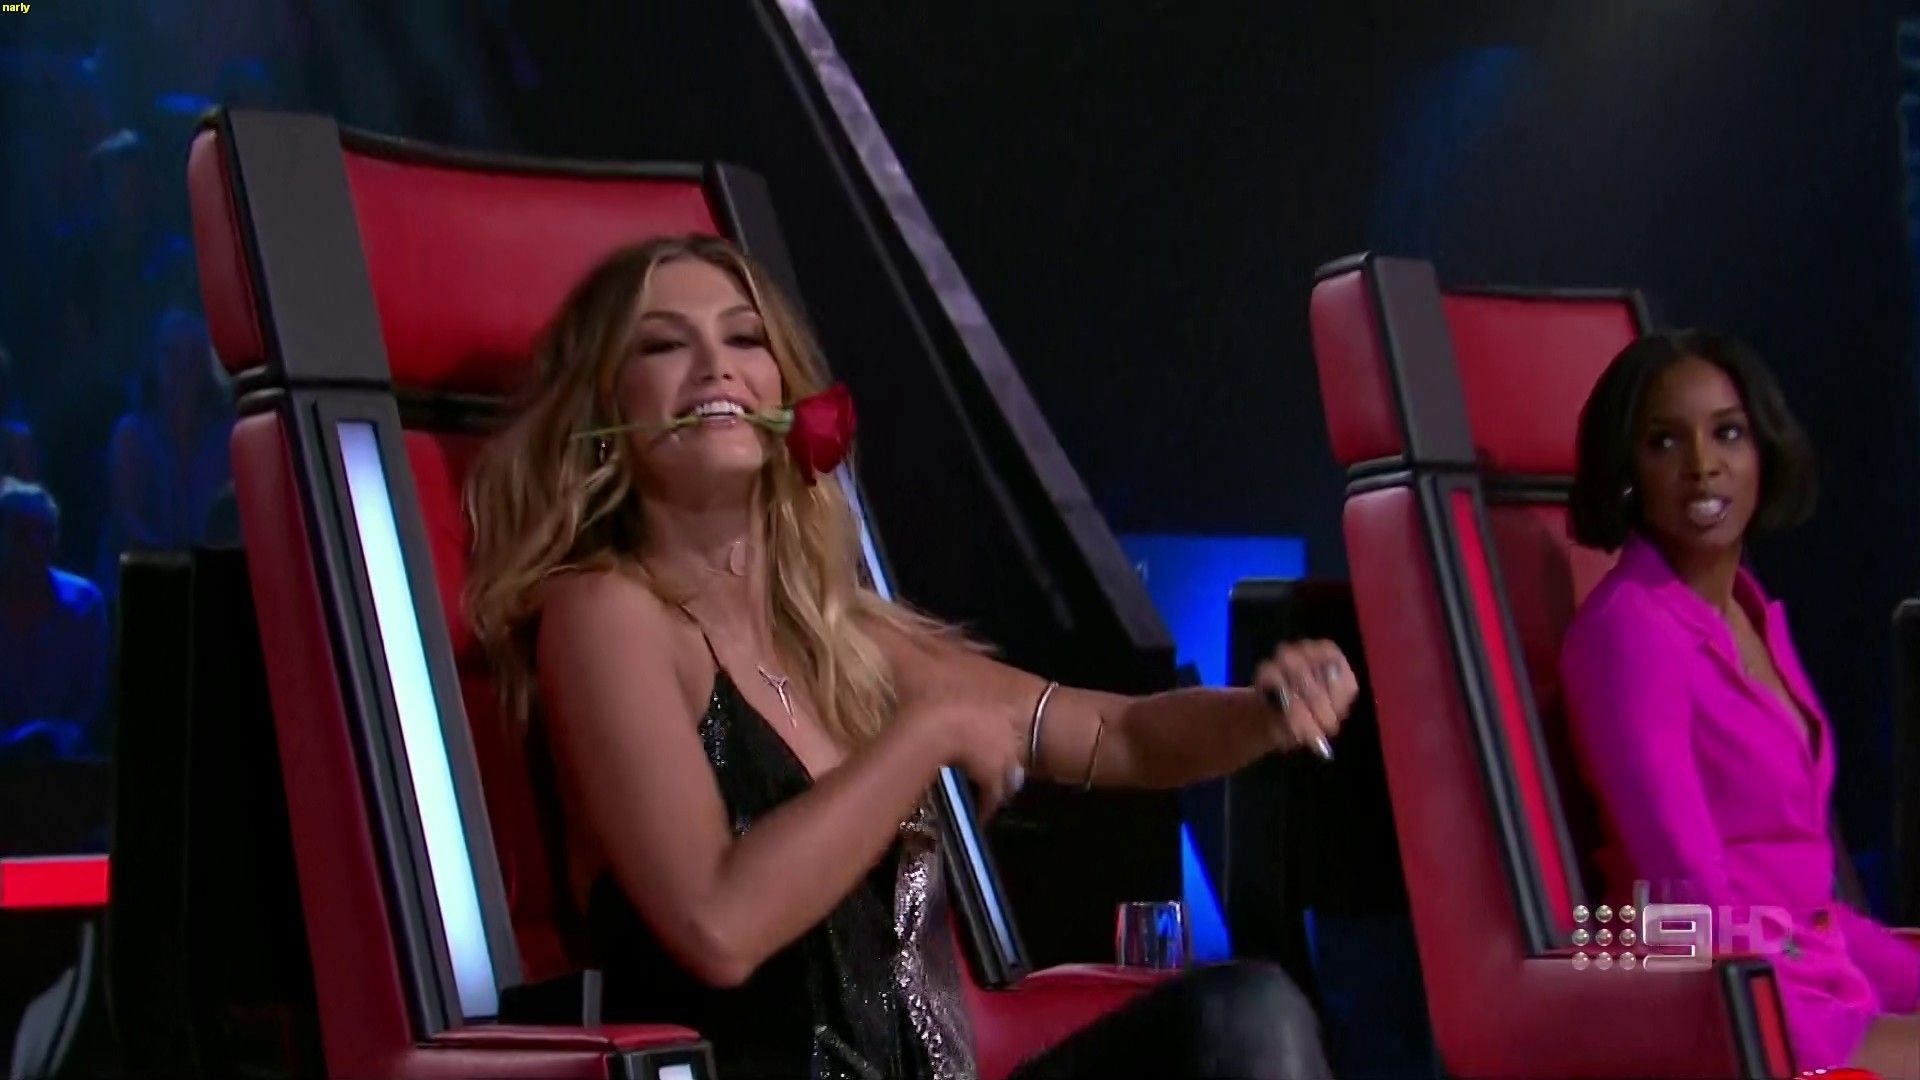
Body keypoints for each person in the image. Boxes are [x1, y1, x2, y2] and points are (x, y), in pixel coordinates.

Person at [465, 235, 1351, 1080]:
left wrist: (1262, 712)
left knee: (1250, 1015)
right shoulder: (605, 614)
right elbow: (718, 925)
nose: (715, 367)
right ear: (606, 414)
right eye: (665, 345)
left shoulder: (841, 635)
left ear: (787, 396)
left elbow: (1119, 735)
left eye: (744, 338)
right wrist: (928, 734)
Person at [1561, 329, 1920, 1077]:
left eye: (1727, 433)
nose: (1702, 465)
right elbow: (1689, 903)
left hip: (1809, 970)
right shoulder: (1628, 633)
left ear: (1764, 450)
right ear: (1627, 470)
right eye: (1665, 442)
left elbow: (1805, 897)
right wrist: (1805, 966)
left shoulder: (1750, 610)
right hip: (1728, 1002)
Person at [0, 478, 108, 760]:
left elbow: (89, 702)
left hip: (66, 757)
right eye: (23, 532)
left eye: (45, 532)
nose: (36, 543)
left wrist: (58, 737)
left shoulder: (84, 603)